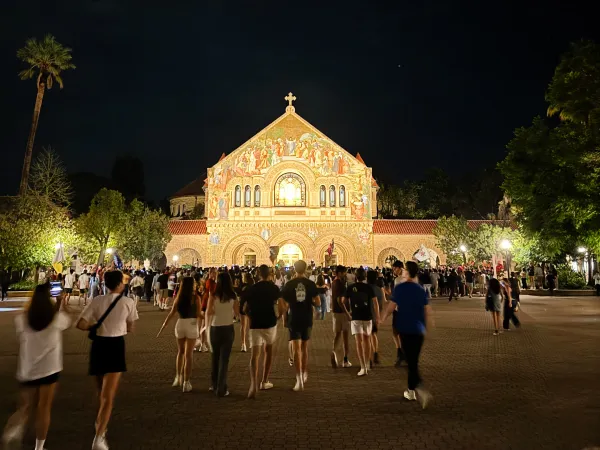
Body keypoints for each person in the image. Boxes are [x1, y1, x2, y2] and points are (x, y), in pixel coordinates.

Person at [2, 284, 71, 450]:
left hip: (27, 369)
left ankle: (13, 431)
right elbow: (67, 319)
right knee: (44, 408)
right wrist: (62, 304)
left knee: (25, 406)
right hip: (50, 369)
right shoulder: (56, 320)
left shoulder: (22, 319)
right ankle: (39, 447)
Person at [76, 270, 138, 450]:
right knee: (108, 395)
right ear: (119, 283)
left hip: (98, 346)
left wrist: (95, 325)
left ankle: (100, 423)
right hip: (115, 346)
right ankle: (99, 437)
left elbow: (80, 324)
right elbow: (131, 326)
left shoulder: (97, 301)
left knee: (100, 390)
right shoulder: (128, 302)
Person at [380, 261, 433, 408]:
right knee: (413, 361)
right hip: (419, 330)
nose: (402, 272)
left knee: (411, 363)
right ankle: (410, 391)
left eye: (404, 270)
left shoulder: (400, 288)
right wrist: (427, 328)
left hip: (405, 328)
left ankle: (420, 388)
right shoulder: (420, 289)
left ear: (407, 272)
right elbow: (427, 310)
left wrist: (383, 317)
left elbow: (391, 307)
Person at [280, 260, 320, 392]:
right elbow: (318, 302)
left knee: (296, 349)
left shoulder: (289, 284)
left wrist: (284, 319)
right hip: (307, 318)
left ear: (294, 269)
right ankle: (304, 372)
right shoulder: (310, 284)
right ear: (306, 269)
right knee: (304, 348)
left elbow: (284, 304)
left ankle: (299, 379)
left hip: (294, 318)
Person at [157, 277, 201, 392]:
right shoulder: (195, 298)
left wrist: (164, 324)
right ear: (192, 285)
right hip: (191, 325)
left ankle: (178, 377)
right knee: (188, 355)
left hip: (180, 324)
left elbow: (172, 313)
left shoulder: (179, 297)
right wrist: (207, 315)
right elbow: (198, 313)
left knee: (180, 352)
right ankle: (186, 382)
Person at [244, 264, 280, 398]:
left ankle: (253, 385)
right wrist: (280, 316)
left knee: (254, 355)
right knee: (268, 351)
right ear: (269, 274)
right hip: (270, 322)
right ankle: (264, 381)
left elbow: (245, 308)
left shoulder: (252, 288)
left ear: (258, 274)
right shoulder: (274, 288)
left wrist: (250, 317)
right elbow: (281, 304)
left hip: (255, 323)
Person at [206, 272, 239, 397]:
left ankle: (213, 384)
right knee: (224, 360)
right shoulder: (233, 296)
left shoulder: (213, 296)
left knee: (215, 357)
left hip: (215, 328)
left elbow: (209, 312)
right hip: (228, 328)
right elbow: (236, 313)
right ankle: (222, 387)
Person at [343, 267, 379, 376]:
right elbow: (375, 303)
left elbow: (343, 301)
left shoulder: (350, 287)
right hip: (367, 316)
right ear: (365, 277)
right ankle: (367, 364)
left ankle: (362, 366)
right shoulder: (368, 287)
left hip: (356, 317)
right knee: (367, 340)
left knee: (358, 342)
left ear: (355, 276)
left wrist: (348, 313)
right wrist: (377, 317)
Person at [330, 265, 352, 368]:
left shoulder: (334, 282)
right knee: (345, 336)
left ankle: (333, 351)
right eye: (344, 273)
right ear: (339, 273)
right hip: (342, 312)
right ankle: (346, 360)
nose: (345, 275)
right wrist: (347, 313)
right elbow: (340, 300)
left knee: (337, 334)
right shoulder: (341, 284)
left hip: (335, 311)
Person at [367, 269, 385, 366]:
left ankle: (369, 358)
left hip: (367, 315)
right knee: (374, 335)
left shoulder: (366, 288)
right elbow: (381, 303)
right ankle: (375, 353)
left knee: (367, 337)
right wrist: (379, 315)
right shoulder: (379, 289)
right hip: (376, 316)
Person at [239, 272, 254, 352]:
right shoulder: (253, 286)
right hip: (251, 307)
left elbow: (239, 296)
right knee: (251, 325)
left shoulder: (242, 286)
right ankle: (251, 342)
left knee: (243, 326)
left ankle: (243, 343)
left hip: (243, 306)